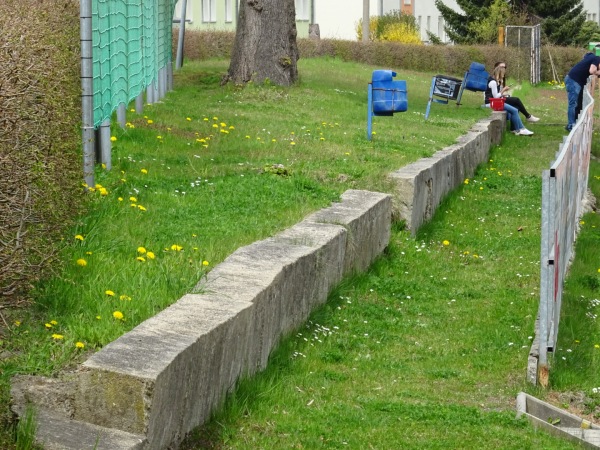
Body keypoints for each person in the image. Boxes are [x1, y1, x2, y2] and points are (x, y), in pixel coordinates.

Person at [485, 65, 534, 136]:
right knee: (514, 110)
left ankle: (516, 129)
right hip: (491, 103)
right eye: (503, 74)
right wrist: (503, 90)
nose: (504, 76)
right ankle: (520, 129)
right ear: (499, 73)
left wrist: (503, 94)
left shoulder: (495, 81)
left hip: (495, 102)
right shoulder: (493, 82)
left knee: (514, 108)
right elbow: (495, 97)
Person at [565, 52, 600, 131]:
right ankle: (571, 125)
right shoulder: (597, 59)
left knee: (578, 103)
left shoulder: (591, 58)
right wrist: (598, 72)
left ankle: (576, 123)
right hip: (574, 81)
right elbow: (592, 71)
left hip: (575, 81)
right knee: (573, 104)